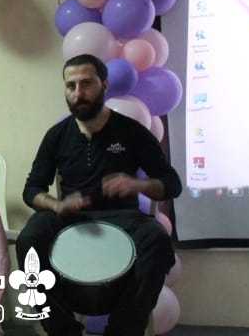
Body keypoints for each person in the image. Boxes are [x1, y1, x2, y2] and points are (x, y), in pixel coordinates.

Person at [16, 53, 181, 336]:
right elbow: (32, 190)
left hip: (123, 217)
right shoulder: (57, 135)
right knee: (29, 239)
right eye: (71, 86)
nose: (78, 93)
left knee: (156, 240)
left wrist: (137, 185)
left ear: (104, 85)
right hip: (70, 217)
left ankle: (122, 330)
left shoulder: (131, 131)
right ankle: (63, 330)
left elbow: (172, 183)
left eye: (86, 83)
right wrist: (56, 205)